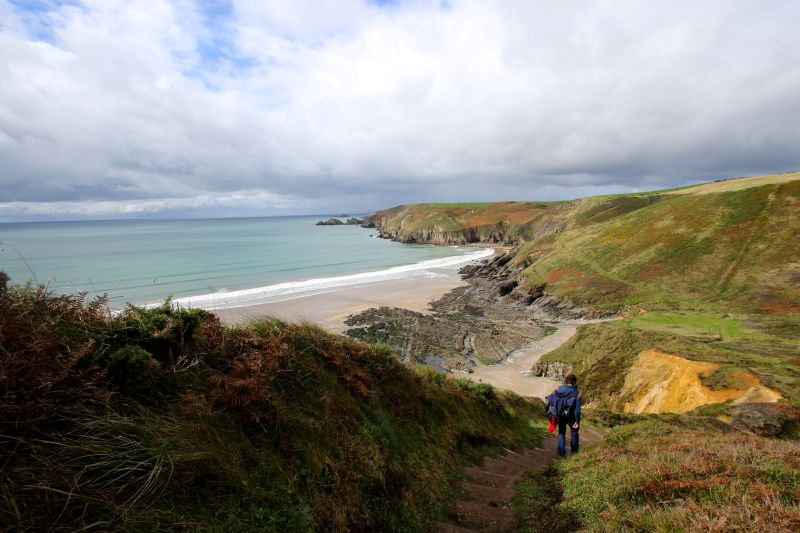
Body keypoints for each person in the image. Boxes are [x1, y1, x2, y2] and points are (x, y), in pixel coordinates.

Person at [545, 374, 582, 457]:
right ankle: (574, 452)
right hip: (571, 416)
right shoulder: (577, 393)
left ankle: (561, 452)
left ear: (566, 381)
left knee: (561, 432)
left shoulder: (559, 389)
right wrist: (577, 421)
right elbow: (577, 410)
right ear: (574, 382)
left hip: (560, 415)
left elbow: (551, 399)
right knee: (574, 432)